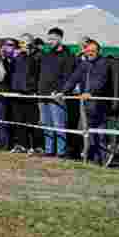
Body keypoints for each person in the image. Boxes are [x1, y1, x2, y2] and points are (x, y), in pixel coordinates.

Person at [60, 40, 109, 164]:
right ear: (85, 51)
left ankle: (101, 159)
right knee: (87, 132)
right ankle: (91, 158)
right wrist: (63, 91)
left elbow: (100, 81)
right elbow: (74, 78)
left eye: (93, 51)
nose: (91, 53)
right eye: (88, 50)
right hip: (85, 103)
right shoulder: (84, 64)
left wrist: (91, 92)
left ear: (98, 51)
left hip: (98, 103)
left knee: (99, 132)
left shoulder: (103, 63)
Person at [37, 28, 76, 157]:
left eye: (52, 39)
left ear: (60, 39)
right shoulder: (47, 55)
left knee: (58, 124)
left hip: (56, 96)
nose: (49, 42)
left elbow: (68, 77)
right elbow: (42, 75)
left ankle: (61, 151)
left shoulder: (68, 56)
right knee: (46, 124)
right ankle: (49, 150)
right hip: (43, 94)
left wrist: (60, 91)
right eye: (48, 39)